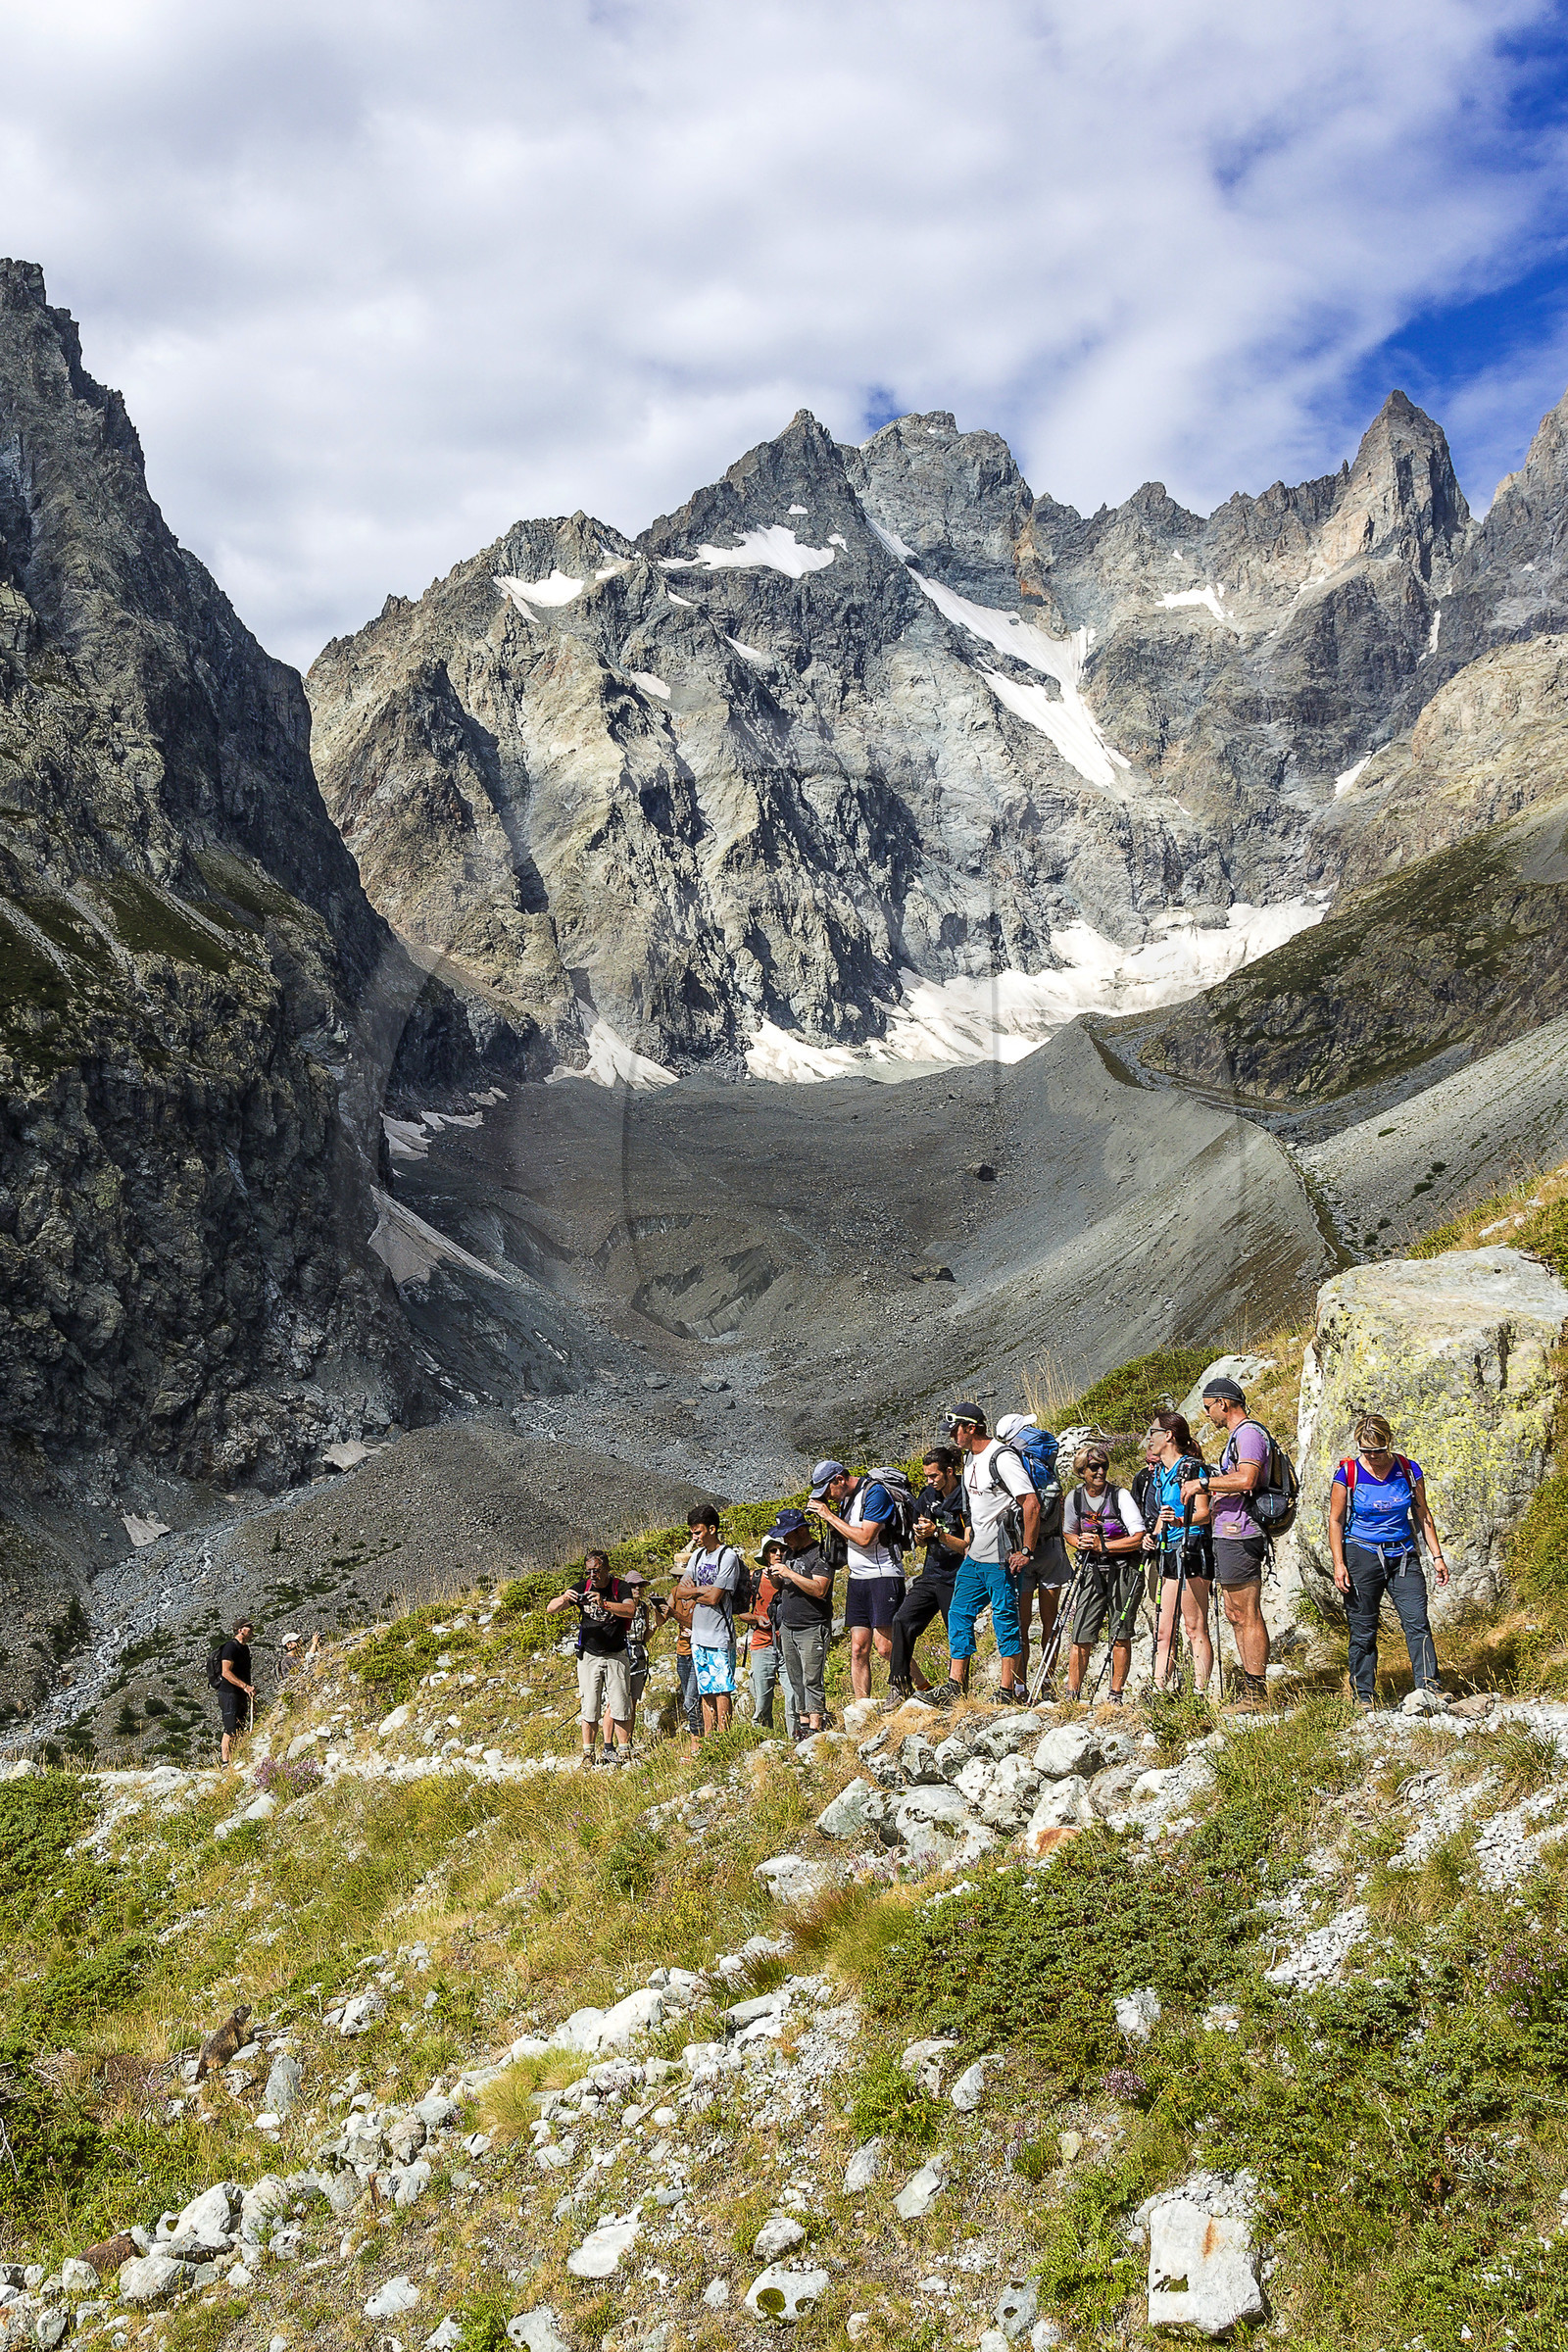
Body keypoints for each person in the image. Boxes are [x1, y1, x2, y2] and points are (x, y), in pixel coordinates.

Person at [1328, 1413, 1450, 1708]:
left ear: (1388, 1444)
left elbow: (1422, 1513)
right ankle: (1363, 1696)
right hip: (1362, 1554)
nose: (1373, 1457)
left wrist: (1437, 1556)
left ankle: (1429, 1689)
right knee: (1363, 1628)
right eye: (1366, 1452)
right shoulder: (1348, 1474)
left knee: (1417, 1622)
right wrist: (1339, 1563)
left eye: (1378, 1451)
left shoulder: (1408, 1470)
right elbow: (1335, 1520)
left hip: (1404, 1555)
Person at [929, 1404, 1037, 1708]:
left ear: (971, 1428)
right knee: (958, 1612)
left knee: (1005, 1617)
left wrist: (1026, 1551)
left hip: (1002, 1554)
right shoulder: (970, 1459)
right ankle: (955, 1683)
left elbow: (1030, 1502)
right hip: (976, 1554)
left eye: (955, 1430)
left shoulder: (1002, 1457)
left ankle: (1008, 1688)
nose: (952, 1436)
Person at [1184, 1376, 1273, 1704]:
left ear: (1223, 1402)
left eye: (1209, 1407)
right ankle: (1253, 1688)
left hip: (1242, 1532)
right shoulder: (1240, 1435)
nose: (1208, 1414)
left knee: (1244, 1611)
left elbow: (1248, 1478)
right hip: (1230, 1533)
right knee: (1235, 1612)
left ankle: (1256, 1690)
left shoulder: (1248, 1434)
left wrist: (1203, 1484)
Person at [809, 1461, 906, 1701]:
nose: (827, 1499)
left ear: (839, 1479)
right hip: (858, 1578)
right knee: (858, 1648)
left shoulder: (875, 1493)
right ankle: (862, 1706)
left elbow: (864, 1538)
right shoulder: (845, 1501)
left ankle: (915, 1685)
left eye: (827, 1492)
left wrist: (829, 1516)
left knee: (885, 1647)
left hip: (883, 1575)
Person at [885, 1446, 969, 1706]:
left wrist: (938, 1534)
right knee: (902, 1619)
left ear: (950, 1472)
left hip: (957, 1576)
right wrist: (922, 1536)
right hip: (932, 1572)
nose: (930, 1481)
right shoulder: (927, 1496)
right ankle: (899, 1685)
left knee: (955, 1629)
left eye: (934, 1476)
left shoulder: (965, 1496)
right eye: (926, 1477)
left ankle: (960, 1689)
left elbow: (966, 1546)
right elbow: (921, 1541)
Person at [1062, 1447, 1147, 1703]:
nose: (1100, 1472)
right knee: (1081, 1634)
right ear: (1081, 1472)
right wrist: (1080, 1543)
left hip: (1123, 1571)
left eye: (1104, 1467)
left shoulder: (1120, 1496)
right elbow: (1068, 1531)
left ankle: (1115, 1695)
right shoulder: (1074, 1499)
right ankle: (1072, 1694)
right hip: (1091, 1571)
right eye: (1093, 1468)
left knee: (1120, 1633)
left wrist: (1104, 1546)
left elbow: (1138, 1537)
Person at [1141, 1410, 1214, 1694]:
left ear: (1168, 1436)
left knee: (1194, 1627)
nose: (1149, 1438)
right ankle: (1159, 1687)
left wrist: (1179, 1521)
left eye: (1153, 1432)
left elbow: (1204, 1514)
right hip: (1169, 1549)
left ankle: (1200, 1691)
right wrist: (1153, 1536)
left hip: (1193, 1547)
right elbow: (1164, 1512)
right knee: (1164, 1627)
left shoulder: (1193, 1469)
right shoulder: (1161, 1472)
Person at [995, 1412, 1069, 1690]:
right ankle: (1048, 1682)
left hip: (1020, 1550)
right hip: (1051, 1544)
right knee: (1050, 1620)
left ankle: (1019, 1683)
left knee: (1021, 1621)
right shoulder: (1044, 1448)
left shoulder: (1009, 1458)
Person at [547, 1550, 635, 1766]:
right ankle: (588, 1753)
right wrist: (564, 1598)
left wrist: (604, 1603)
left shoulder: (619, 1587)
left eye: (596, 1570)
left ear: (606, 1568)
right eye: (589, 1571)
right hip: (589, 1655)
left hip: (616, 1654)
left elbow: (630, 1610)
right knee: (590, 1705)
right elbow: (551, 1609)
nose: (593, 1575)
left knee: (620, 1703)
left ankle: (624, 1750)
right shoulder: (582, 1587)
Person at [762, 1507, 835, 1736]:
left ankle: (815, 1724)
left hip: (812, 1625)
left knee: (812, 1677)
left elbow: (820, 1589)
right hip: (789, 1625)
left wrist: (790, 1573)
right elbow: (782, 1586)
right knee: (795, 1679)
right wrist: (776, 1579)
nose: (784, 1540)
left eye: (788, 1534)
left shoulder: (820, 1553)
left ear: (801, 1530)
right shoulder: (789, 1553)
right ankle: (803, 1724)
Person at [683, 1504, 745, 1737]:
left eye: (698, 1532)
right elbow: (680, 1591)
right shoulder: (697, 1556)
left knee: (722, 1689)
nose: (694, 1537)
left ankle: (725, 1737)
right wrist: (701, 1590)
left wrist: (694, 1591)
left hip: (719, 1633)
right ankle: (710, 1738)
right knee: (705, 1689)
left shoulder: (727, 1556)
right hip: (699, 1635)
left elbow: (715, 1597)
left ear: (712, 1529)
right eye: (692, 1533)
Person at [613, 1567, 669, 1752]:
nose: (637, 1589)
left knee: (633, 1701)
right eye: (633, 1585)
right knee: (617, 1701)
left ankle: (627, 1742)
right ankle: (610, 1744)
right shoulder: (620, 1605)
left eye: (640, 1585)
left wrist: (654, 1621)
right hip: (622, 1651)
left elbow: (645, 1636)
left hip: (639, 1652)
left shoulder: (644, 1608)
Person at [743, 1538, 792, 1735]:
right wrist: (756, 1619)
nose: (778, 1554)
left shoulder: (793, 1576)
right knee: (762, 1699)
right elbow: (740, 1612)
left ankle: (795, 1737)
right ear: (766, 1555)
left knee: (793, 1697)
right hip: (762, 1643)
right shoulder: (753, 1579)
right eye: (773, 1550)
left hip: (788, 1643)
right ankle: (764, 1740)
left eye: (781, 1550)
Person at [217, 1618, 254, 1765]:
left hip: (240, 1693)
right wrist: (244, 1686)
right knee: (230, 1728)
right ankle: (225, 1763)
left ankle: (235, 1759)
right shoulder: (230, 1648)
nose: (251, 1629)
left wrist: (247, 1689)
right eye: (248, 1627)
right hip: (229, 1693)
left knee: (239, 1727)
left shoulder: (244, 1648)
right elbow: (226, 1672)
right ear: (240, 1630)